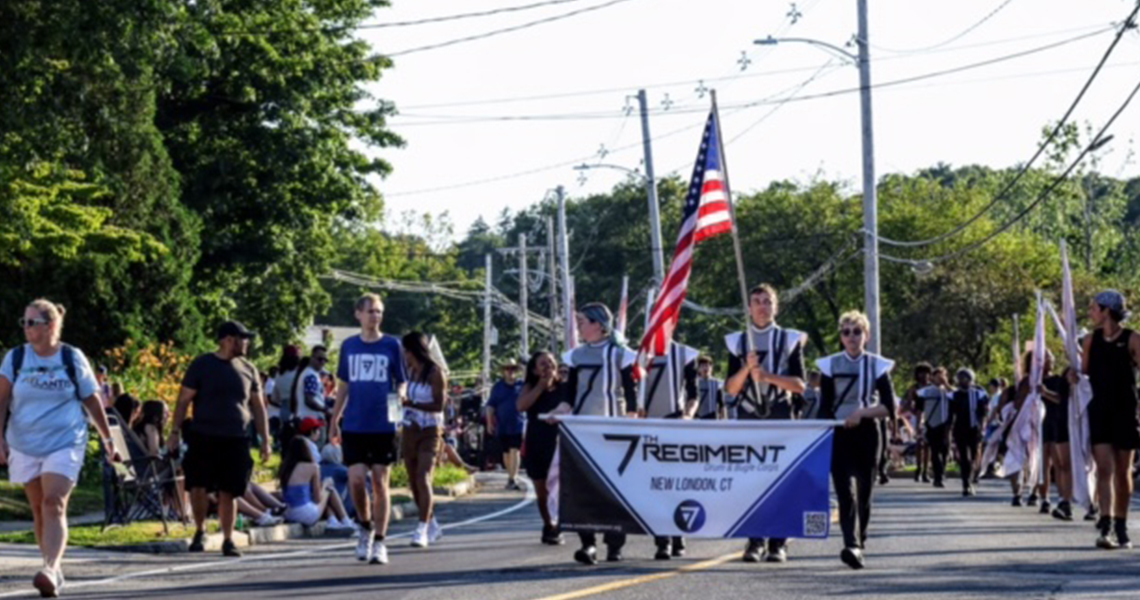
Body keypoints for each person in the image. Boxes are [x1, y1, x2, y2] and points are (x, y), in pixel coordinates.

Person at [0, 299, 122, 598]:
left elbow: (92, 400)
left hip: (65, 441)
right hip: (24, 442)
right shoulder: (16, 358)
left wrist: (109, 441)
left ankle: (50, 569)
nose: (26, 328)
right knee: (39, 509)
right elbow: (1, 399)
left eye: (33, 323)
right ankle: (51, 566)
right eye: (24, 322)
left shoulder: (71, 357)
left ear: (51, 325)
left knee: (54, 502)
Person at [168, 321, 271, 558]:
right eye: (242, 338)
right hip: (204, 435)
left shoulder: (248, 369)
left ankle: (227, 538)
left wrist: (265, 439)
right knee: (198, 486)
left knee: (229, 490)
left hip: (236, 438)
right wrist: (174, 432)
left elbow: (258, 406)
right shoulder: (202, 365)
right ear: (227, 339)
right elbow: (183, 400)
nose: (247, 342)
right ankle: (200, 529)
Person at [724, 284, 806, 564]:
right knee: (751, 479)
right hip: (748, 416)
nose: (761, 306)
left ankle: (778, 543)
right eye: (756, 301)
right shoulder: (737, 341)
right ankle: (754, 540)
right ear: (749, 307)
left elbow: (800, 385)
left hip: (780, 413)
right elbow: (730, 389)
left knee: (781, 480)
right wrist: (746, 368)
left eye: (767, 301)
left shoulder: (789, 339)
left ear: (775, 306)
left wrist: (768, 376)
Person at [555, 302, 637, 565]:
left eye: (582, 321)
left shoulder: (619, 354)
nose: (578, 325)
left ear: (598, 325)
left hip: (613, 429)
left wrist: (632, 418)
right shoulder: (575, 356)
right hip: (583, 430)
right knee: (583, 489)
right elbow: (569, 394)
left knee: (615, 489)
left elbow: (631, 394)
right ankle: (588, 544)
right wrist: (561, 409)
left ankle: (615, 544)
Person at [816, 310, 896, 570]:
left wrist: (861, 413)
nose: (852, 337)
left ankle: (860, 541)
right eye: (847, 332)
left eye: (857, 331)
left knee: (864, 490)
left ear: (866, 335)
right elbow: (824, 407)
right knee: (843, 492)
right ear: (841, 336)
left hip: (868, 432)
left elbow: (889, 407)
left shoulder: (877, 365)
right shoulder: (829, 365)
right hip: (839, 432)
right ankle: (850, 543)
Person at [331, 293, 407, 565]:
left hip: (382, 424)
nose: (376, 316)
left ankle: (381, 542)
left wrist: (397, 408)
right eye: (371, 311)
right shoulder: (349, 346)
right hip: (354, 423)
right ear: (358, 314)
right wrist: (334, 420)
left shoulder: (391, 345)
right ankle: (364, 527)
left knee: (379, 481)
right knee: (355, 478)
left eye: (379, 312)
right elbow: (343, 386)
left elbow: (401, 381)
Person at [1080, 290, 1140, 549]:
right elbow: (1083, 373)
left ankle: (1120, 523)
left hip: (1125, 409)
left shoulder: (1132, 338)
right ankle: (1104, 524)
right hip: (1100, 410)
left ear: (1107, 311)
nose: (1091, 312)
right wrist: (1072, 376)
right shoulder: (1091, 340)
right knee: (1103, 467)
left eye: (1094, 308)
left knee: (1122, 469)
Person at [641, 340, 698, 559]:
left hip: (676, 424)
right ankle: (661, 539)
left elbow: (693, 393)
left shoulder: (684, 353)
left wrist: (688, 415)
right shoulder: (642, 352)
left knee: (677, 483)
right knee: (656, 485)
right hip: (649, 427)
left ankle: (678, 534)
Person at [400, 331, 447, 548]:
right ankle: (432, 522)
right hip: (410, 428)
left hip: (430, 429)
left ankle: (421, 528)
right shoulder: (409, 372)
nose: (404, 355)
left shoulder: (435, 372)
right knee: (413, 481)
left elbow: (439, 405)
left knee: (423, 476)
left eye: (406, 351)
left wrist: (412, 404)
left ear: (413, 351)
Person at [517, 351, 568, 545]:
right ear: (534, 370)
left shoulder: (565, 388)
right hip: (537, 440)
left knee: (560, 485)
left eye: (551, 363)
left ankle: (559, 524)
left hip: (560, 441)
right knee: (541, 488)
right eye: (543, 364)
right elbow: (521, 406)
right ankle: (548, 524)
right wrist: (540, 387)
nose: (548, 367)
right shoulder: (530, 386)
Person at [279, 437, 352, 529]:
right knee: (329, 489)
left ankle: (332, 520)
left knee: (324, 494)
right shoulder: (313, 467)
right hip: (307, 515)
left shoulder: (285, 468)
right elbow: (318, 498)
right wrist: (326, 483)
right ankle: (345, 520)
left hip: (290, 513)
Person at [485, 360, 525, 490]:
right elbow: (490, 406)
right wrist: (490, 422)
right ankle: (510, 475)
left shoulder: (522, 385)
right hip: (502, 425)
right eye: (507, 369)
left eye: (513, 369)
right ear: (503, 372)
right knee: (506, 453)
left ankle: (513, 478)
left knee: (515, 450)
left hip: (518, 423)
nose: (510, 371)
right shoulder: (498, 387)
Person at [1040, 366, 1073, 519]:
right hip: (1059, 423)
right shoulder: (1066, 375)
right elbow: (1061, 397)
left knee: (1092, 467)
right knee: (1061, 464)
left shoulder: (1089, 373)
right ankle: (1063, 502)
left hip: (1080, 423)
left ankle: (1094, 505)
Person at [949, 369, 988, 497]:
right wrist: (949, 431)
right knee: (964, 458)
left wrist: (982, 428)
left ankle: (972, 477)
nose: (963, 381)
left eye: (966, 378)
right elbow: (951, 415)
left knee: (974, 456)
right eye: (960, 378)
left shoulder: (979, 394)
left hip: (974, 429)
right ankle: (966, 484)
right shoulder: (954, 395)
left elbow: (983, 413)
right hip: (960, 429)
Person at [916, 367, 953, 489]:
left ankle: (941, 471)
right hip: (932, 424)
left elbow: (956, 397)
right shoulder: (925, 392)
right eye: (938, 376)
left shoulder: (949, 391)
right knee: (935, 451)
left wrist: (946, 385)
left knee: (945, 451)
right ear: (932, 377)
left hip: (946, 425)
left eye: (944, 376)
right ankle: (938, 477)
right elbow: (920, 409)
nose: (941, 378)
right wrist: (918, 424)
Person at [902, 363, 934, 483]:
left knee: (928, 445)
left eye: (926, 373)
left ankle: (926, 470)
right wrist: (914, 413)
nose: (924, 375)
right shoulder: (914, 388)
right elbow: (908, 404)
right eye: (921, 373)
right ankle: (919, 469)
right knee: (919, 444)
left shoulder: (932, 387)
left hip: (931, 416)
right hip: (918, 416)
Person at [270, 346, 302, 446]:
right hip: (297, 407)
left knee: (286, 438)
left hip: (284, 408)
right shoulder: (299, 373)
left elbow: (274, 398)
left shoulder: (279, 375)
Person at [689, 355, 725, 420]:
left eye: (708, 365)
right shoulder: (694, 383)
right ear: (698, 369)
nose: (706, 368)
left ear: (711, 368)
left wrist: (723, 418)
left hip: (712, 416)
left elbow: (721, 403)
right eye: (703, 366)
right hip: (696, 416)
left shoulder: (717, 383)